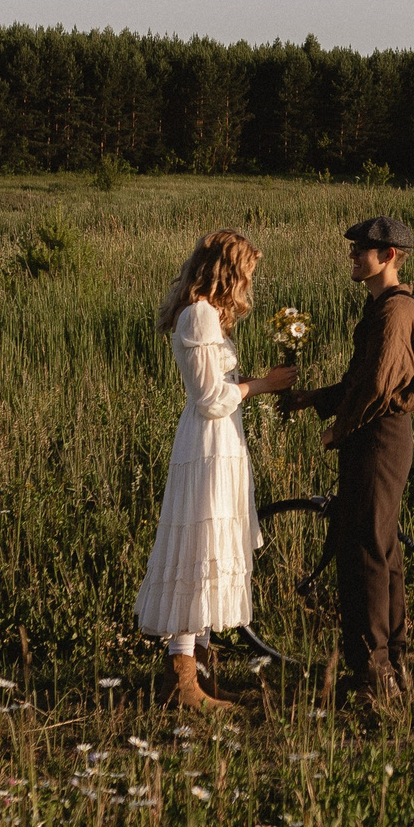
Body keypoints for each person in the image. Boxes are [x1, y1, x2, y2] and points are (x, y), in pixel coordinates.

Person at [134, 229, 296, 711]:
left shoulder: (207, 317)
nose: (248, 283)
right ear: (228, 271)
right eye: (246, 273)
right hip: (207, 444)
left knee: (209, 552)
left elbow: (217, 391)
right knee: (197, 550)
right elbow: (209, 400)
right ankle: (182, 678)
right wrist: (261, 385)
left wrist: (253, 384)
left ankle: (198, 676)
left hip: (221, 443)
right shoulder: (200, 316)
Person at [277, 215, 414, 707]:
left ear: (388, 257)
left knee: (366, 550)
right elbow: (358, 383)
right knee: (380, 546)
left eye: (362, 249)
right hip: (378, 433)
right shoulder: (383, 308)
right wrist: (312, 399)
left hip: (377, 436)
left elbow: (378, 386)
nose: (353, 255)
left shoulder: (393, 312)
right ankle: (391, 660)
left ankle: (372, 672)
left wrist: (337, 429)